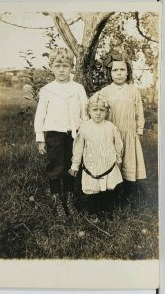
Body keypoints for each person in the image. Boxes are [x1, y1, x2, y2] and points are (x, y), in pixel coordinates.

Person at [34, 47, 87, 221]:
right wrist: (40, 139)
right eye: (58, 65)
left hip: (74, 134)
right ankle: (57, 199)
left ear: (71, 67)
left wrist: (86, 133)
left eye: (65, 65)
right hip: (54, 135)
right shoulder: (47, 90)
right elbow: (40, 115)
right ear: (51, 67)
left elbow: (85, 112)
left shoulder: (78, 88)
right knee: (56, 166)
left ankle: (69, 199)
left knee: (73, 165)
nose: (62, 69)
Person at [94, 54, 146, 207]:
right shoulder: (105, 92)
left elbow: (139, 113)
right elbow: (96, 110)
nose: (118, 73)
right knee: (111, 165)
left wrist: (139, 130)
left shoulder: (133, 91)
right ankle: (112, 198)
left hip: (129, 134)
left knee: (128, 164)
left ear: (128, 71)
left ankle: (127, 197)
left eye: (122, 69)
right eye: (115, 70)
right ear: (109, 73)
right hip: (110, 136)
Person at [69, 95, 123, 219]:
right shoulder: (84, 128)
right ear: (89, 111)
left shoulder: (110, 127)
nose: (98, 113)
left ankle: (107, 212)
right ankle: (94, 214)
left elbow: (118, 144)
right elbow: (78, 148)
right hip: (91, 166)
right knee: (93, 191)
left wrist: (118, 159)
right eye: (95, 110)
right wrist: (75, 166)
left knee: (109, 190)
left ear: (106, 112)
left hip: (108, 165)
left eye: (102, 110)